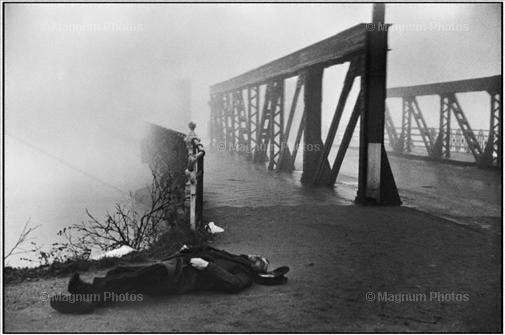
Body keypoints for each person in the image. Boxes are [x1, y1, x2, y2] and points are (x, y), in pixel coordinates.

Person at [50, 245, 289, 314]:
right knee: (121, 272)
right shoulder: (235, 257)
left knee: (137, 277)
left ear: (259, 270)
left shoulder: (244, 274)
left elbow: (233, 285)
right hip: (176, 265)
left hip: (180, 278)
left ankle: (87, 300)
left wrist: (208, 266)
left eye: (261, 261)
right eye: (259, 255)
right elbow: (206, 248)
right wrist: (188, 250)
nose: (256, 257)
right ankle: (88, 291)